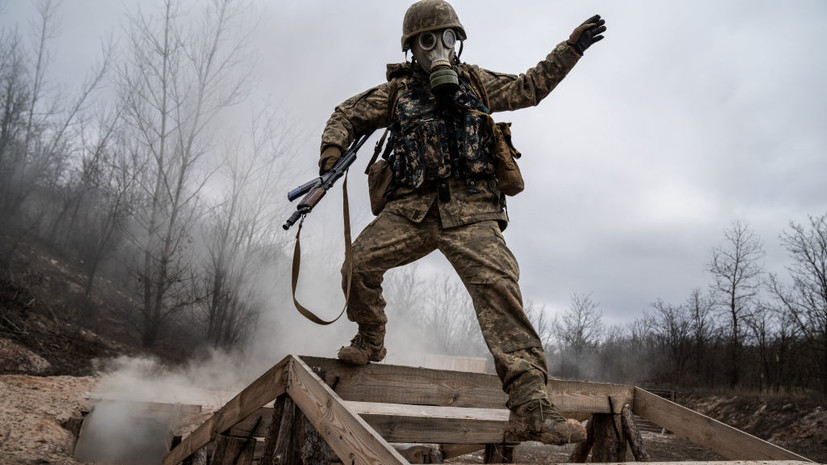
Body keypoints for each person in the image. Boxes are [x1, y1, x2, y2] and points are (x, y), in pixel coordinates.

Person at [316, 0, 605, 445]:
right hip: (412, 210)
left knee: (502, 294)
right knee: (358, 265)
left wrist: (571, 48)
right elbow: (346, 114)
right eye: (428, 42)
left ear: (459, 43)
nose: (439, 50)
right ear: (413, 48)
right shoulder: (397, 92)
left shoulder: (476, 82)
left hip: (472, 213)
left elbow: (531, 86)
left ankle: (531, 409)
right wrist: (332, 153)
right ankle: (371, 337)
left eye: (447, 39)